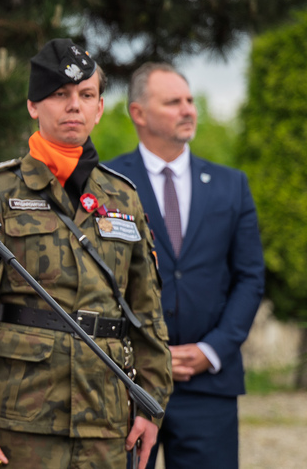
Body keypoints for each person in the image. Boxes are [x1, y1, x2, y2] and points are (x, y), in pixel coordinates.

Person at [0, 39, 172, 468]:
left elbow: (147, 312)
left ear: (101, 107)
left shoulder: (123, 196)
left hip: (107, 417)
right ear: (34, 106)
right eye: (60, 95)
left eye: (86, 96)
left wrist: (151, 405)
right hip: (23, 417)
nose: (74, 106)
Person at [105, 62, 265, 469]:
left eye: (190, 100)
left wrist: (213, 350)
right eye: (173, 101)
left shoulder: (232, 185)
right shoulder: (106, 183)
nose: (188, 109)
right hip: (128, 385)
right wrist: (138, 354)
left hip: (208, 386)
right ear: (138, 113)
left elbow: (249, 277)